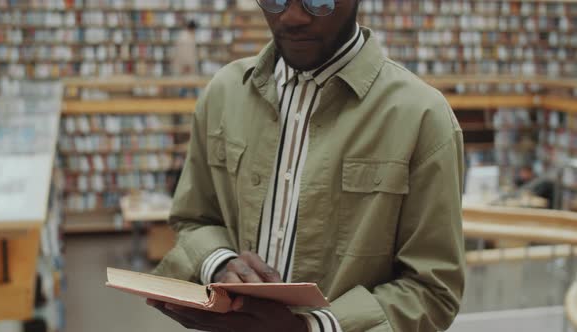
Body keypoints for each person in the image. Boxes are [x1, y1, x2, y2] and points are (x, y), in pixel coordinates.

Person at [150, 1, 465, 331]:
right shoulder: (225, 93)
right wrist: (219, 264)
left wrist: (311, 328)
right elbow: (193, 219)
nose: (292, 16)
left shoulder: (422, 117)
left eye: (319, 0)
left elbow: (432, 290)